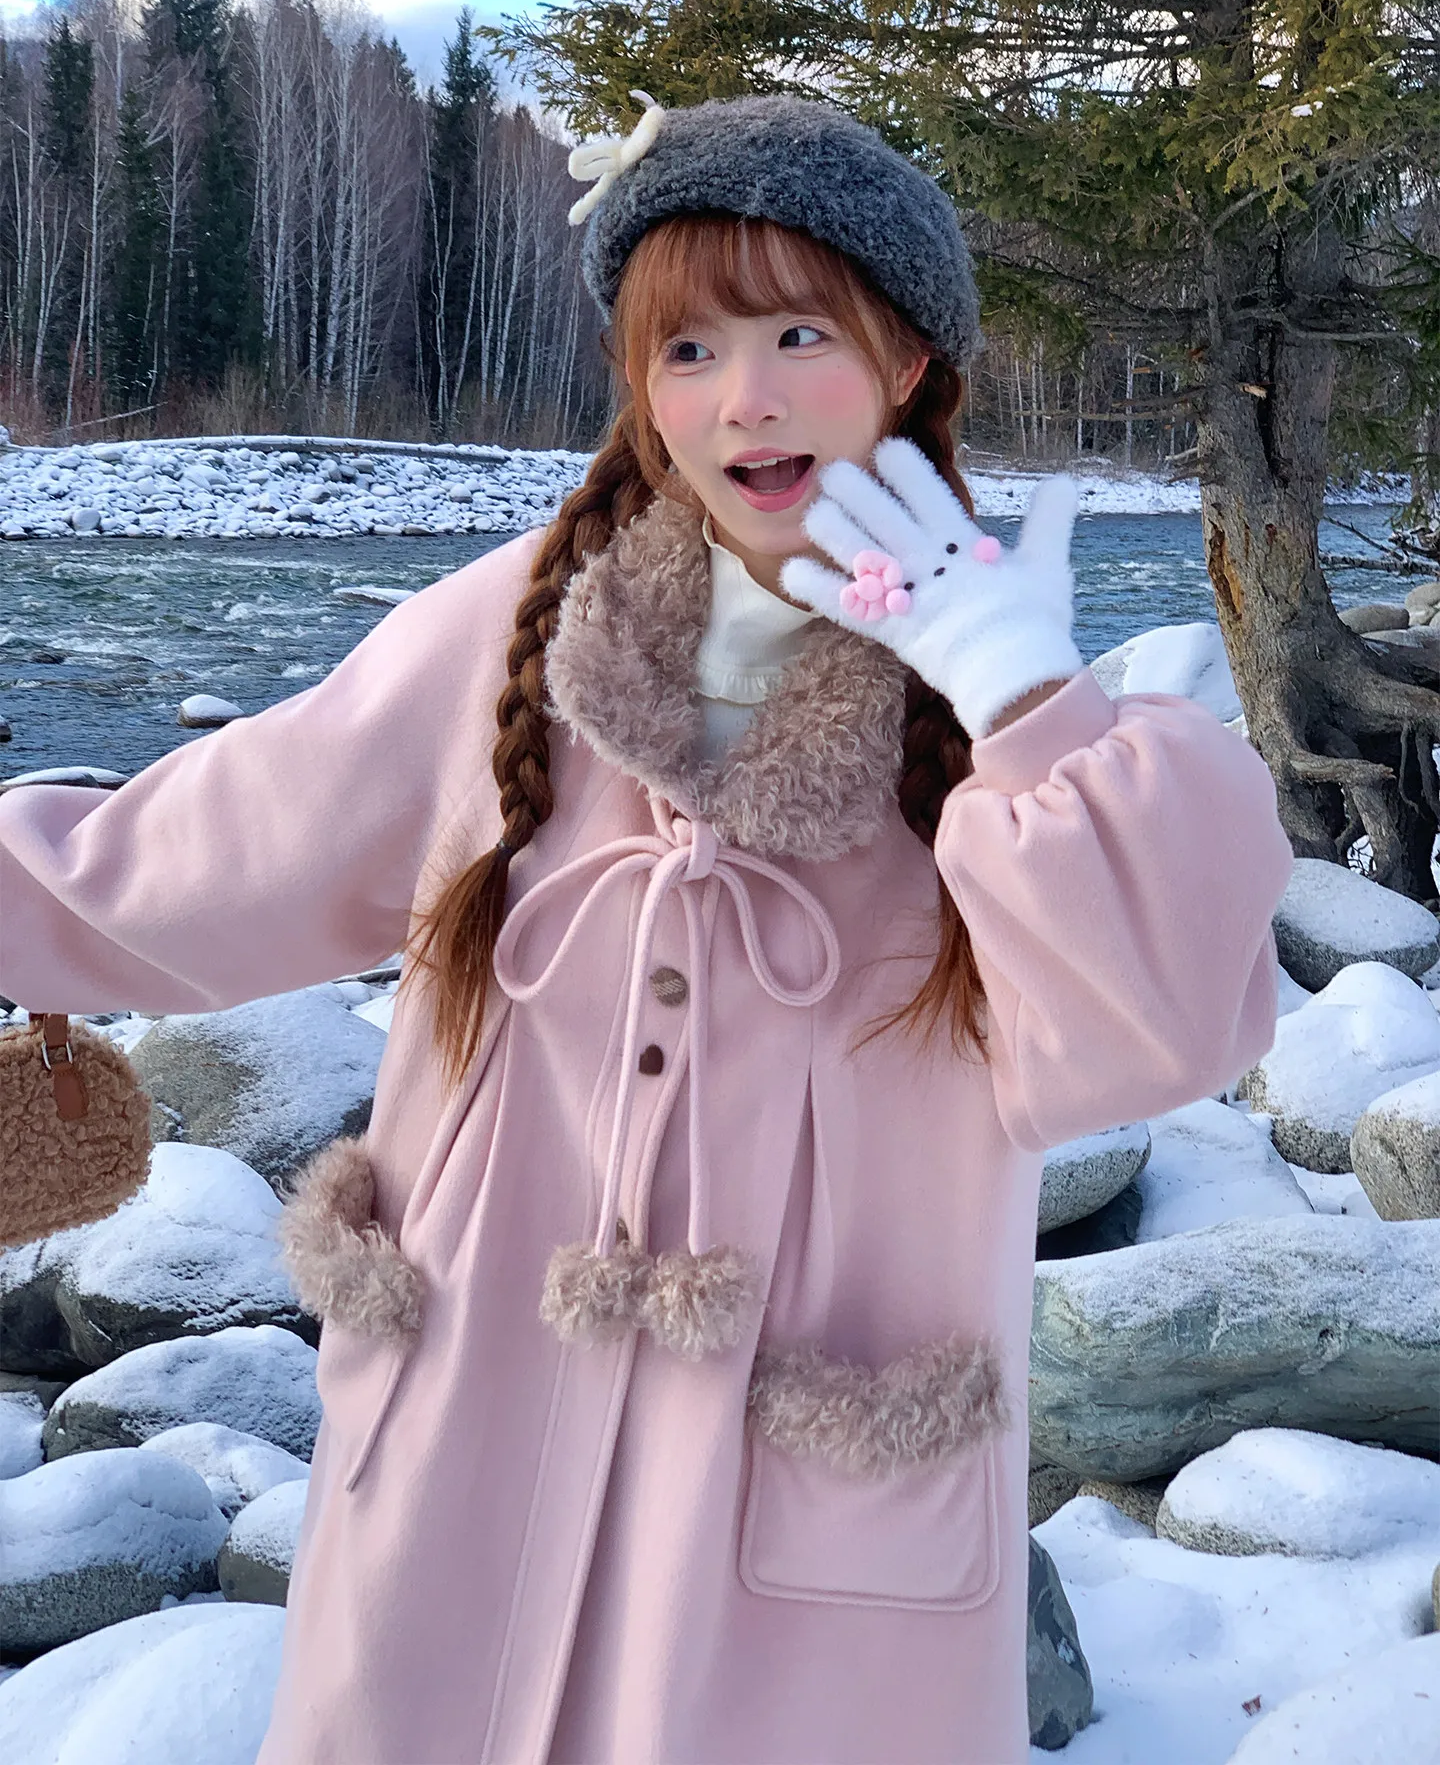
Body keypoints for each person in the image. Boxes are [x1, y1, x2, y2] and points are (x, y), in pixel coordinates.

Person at [0, 93, 1293, 1764]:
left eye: (799, 331)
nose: (742, 394)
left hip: (807, 1541)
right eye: (687, 349)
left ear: (907, 363)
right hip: (470, 1438)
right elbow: (192, 855)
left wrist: (1028, 702)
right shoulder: (514, 633)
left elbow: (1163, 1036)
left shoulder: (1028, 718)